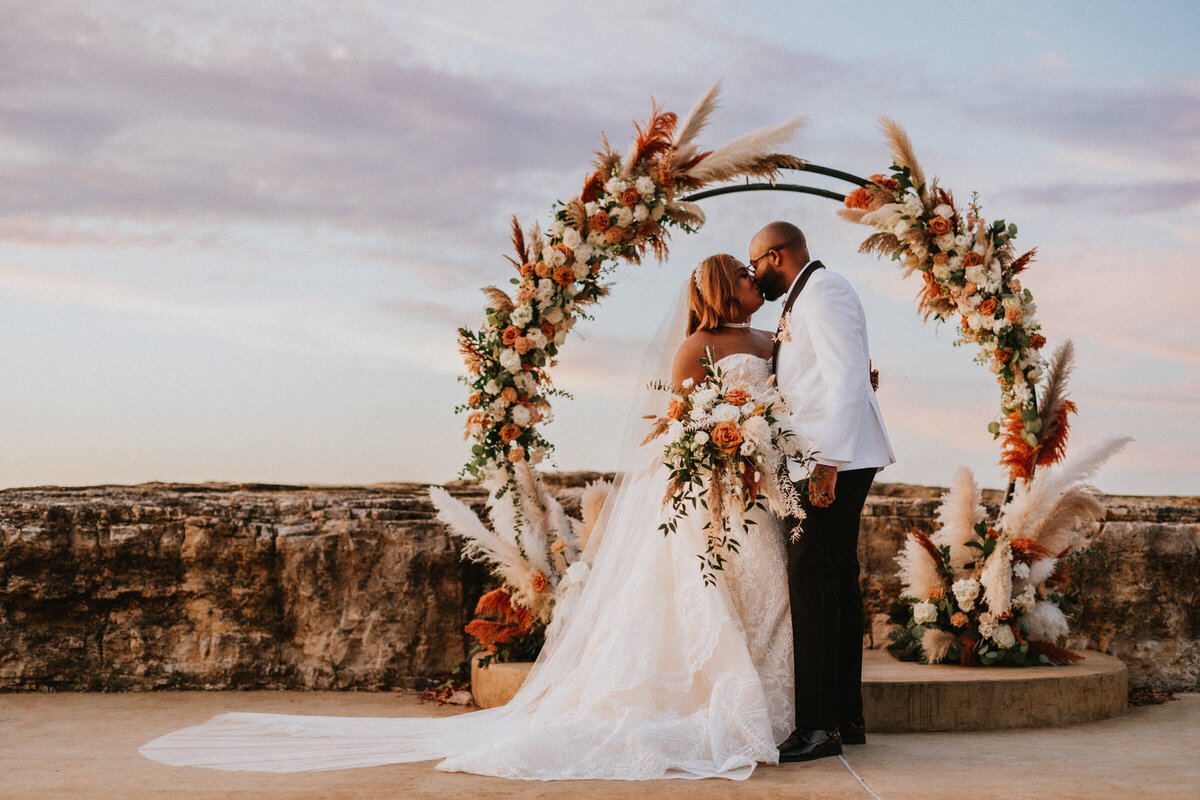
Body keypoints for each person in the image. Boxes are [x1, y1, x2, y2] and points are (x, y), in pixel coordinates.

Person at [140, 253, 798, 781]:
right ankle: (720, 707)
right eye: (742, 274)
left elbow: (795, 388)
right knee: (703, 599)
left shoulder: (771, 337)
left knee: (765, 590)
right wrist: (711, 448)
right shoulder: (696, 346)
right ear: (720, 286)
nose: (752, 280)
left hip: (753, 486)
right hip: (701, 490)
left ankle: (773, 710)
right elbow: (673, 427)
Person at [749, 221, 895, 762]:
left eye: (756, 264)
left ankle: (817, 727)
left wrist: (827, 463)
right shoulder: (804, 297)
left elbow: (849, 377)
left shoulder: (825, 291)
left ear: (777, 255)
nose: (754, 276)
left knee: (812, 581)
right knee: (834, 580)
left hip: (831, 459)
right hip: (826, 456)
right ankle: (844, 717)